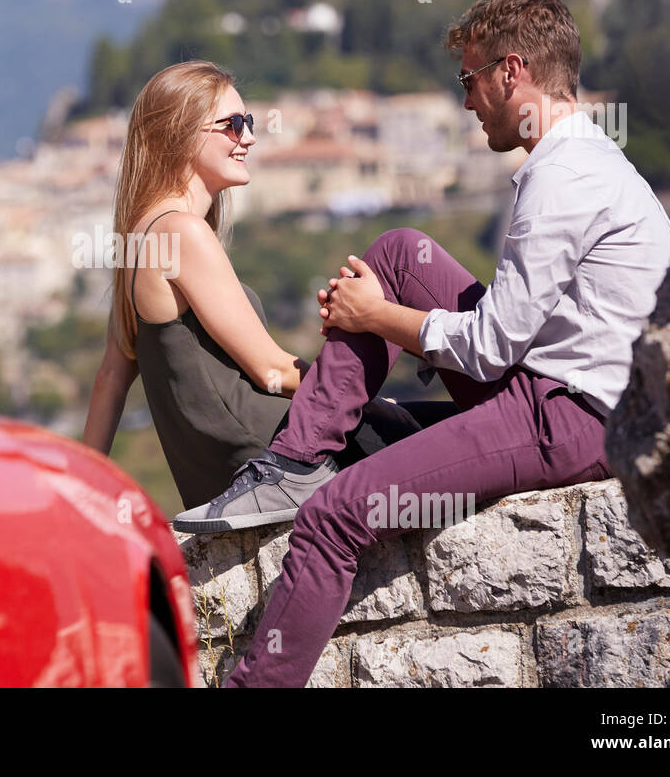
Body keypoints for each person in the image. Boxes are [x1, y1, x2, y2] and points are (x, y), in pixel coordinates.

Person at [184, 0, 670, 688]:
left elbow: (490, 348)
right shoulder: (584, 159)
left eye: (470, 80)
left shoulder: (562, 179)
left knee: (336, 516)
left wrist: (373, 318)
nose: (468, 100)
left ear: (513, 72)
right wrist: (376, 309)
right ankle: (296, 458)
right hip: (566, 395)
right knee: (399, 253)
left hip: (573, 416)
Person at [81, 60, 423, 511]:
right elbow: (272, 371)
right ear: (180, 133)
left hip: (227, 472)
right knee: (455, 424)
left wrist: (82, 490)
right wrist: (365, 400)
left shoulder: (140, 236)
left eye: (250, 122)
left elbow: (110, 378)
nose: (249, 137)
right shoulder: (181, 233)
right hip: (274, 457)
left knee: (435, 420)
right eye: (233, 124)